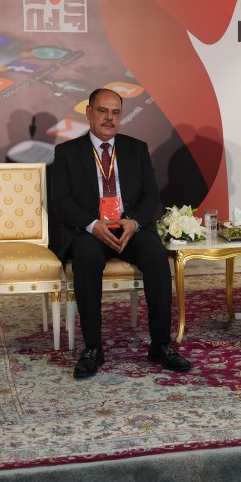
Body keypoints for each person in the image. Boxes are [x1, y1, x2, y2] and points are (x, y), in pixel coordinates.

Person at [50, 87, 191, 379]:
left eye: (115, 113)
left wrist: (134, 222)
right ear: (89, 113)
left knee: (156, 256)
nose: (109, 118)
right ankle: (93, 348)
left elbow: (151, 196)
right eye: (103, 111)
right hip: (90, 229)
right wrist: (93, 224)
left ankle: (161, 345)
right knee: (87, 258)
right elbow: (61, 201)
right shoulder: (67, 152)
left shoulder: (136, 148)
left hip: (129, 227)